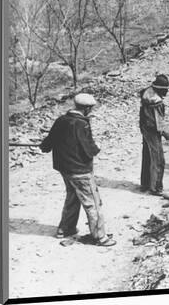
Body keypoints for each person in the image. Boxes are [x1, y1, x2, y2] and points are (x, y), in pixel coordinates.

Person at [40, 93, 116, 247]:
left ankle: (65, 229)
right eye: (91, 108)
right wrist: (97, 148)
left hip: (64, 169)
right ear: (87, 108)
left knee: (73, 197)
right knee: (92, 203)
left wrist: (44, 145)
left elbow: (47, 145)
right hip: (80, 170)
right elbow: (88, 149)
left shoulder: (61, 120)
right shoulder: (82, 124)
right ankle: (100, 237)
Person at [139, 74, 169, 196]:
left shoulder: (147, 93)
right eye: (165, 89)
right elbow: (159, 124)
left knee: (147, 156)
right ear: (159, 89)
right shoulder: (156, 102)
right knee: (159, 159)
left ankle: (145, 184)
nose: (167, 92)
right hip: (152, 130)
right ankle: (156, 188)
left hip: (144, 127)